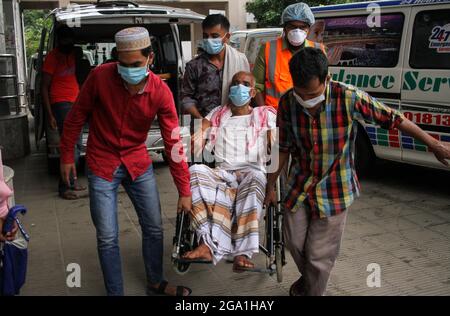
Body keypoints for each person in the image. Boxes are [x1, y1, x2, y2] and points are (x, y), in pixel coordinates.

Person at [265, 47, 450, 296]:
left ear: (327, 79)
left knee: (319, 256)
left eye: (312, 94)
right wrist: (269, 185)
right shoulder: (288, 102)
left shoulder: (349, 97)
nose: (306, 101)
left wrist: (434, 144)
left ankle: (310, 290)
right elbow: (283, 147)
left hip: (335, 188)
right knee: (295, 243)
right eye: (301, 95)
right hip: (299, 185)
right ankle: (308, 282)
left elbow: (393, 118)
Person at [59, 27, 192, 296]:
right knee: (107, 236)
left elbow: (173, 143)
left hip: (137, 161)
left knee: (154, 227)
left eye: (136, 64)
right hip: (101, 161)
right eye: (122, 63)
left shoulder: (161, 92)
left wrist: (184, 190)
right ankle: (115, 291)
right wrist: (66, 157)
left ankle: (155, 281)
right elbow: (75, 116)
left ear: (150, 59)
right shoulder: (99, 77)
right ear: (116, 58)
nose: (128, 70)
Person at [183, 71, 276, 271]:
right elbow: (203, 129)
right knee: (196, 170)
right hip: (223, 173)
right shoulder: (218, 113)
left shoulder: (264, 114)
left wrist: (271, 140)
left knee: (258, 177)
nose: (239, 87)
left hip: (252, 173)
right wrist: (199, 136)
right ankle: (207, 244)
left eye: (244, 83)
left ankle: (241, 253)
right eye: (235, 83)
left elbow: (275, 146)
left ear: (252, 92)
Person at [253, 2, 326, 108]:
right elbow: (256, 85)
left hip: (307, 113)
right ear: (284, 28)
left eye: (302, 27)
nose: (297, 31)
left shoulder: (318, 49)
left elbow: (324, 84)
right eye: (292, 27)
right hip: (275, 115)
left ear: (308, 29)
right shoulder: (268, 49)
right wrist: (264, 112)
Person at [41, 25, 85, 200]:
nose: (69, 43)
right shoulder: (53, 58)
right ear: (59, 40)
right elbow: (44, 87)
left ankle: (72, 181)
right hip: (61, 104)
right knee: (70, 144)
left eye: (71, 40)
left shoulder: (73, 56)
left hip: (76, 103)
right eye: (65, 40)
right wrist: (50, 115)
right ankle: (64, 186)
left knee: (78, 145)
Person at [181, 14, 250, 120]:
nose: (209, 40)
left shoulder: (240, 60)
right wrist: (201, 119)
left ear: (227, 37)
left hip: (232, 123)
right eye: (205, 36)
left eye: (214, 36)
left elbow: (248, 91)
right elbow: (186, 98)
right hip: (201, 125)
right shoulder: (194, 66)